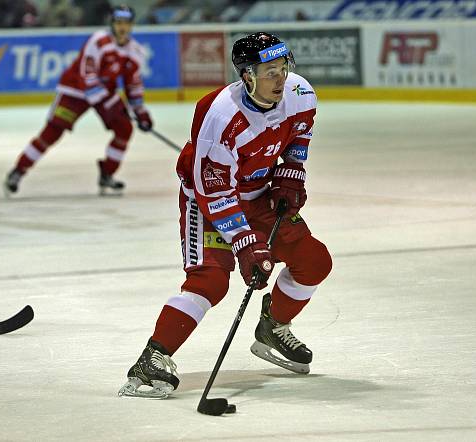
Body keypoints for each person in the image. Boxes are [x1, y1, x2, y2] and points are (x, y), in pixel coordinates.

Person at [118, 32, 332, 398]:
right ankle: (152, 358)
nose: (280, 78)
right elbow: (214, 193)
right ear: (247, 76)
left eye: (283, 67)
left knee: (314, 261)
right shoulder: (221, 117)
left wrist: (292, 172)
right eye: (269, 72)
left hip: (258, 194)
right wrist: (247, 245)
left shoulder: (299, 93)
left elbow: (299, 134)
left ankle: (273, 326)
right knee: (211, 281)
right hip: (210, 200)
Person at [4, 4, 153, 196]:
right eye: (118, 22)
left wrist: (141, 112)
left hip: (105, 94)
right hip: (75, 91)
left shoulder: (135, 51)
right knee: (52, 132)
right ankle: (18, 171)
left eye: (126, 23)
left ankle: (107, 173)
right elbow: (87, 76)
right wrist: (111, 104)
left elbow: (133, 85)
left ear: (132, 25)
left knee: (125, 128)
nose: (122, 27)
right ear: (112, 23)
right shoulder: (98, 41)